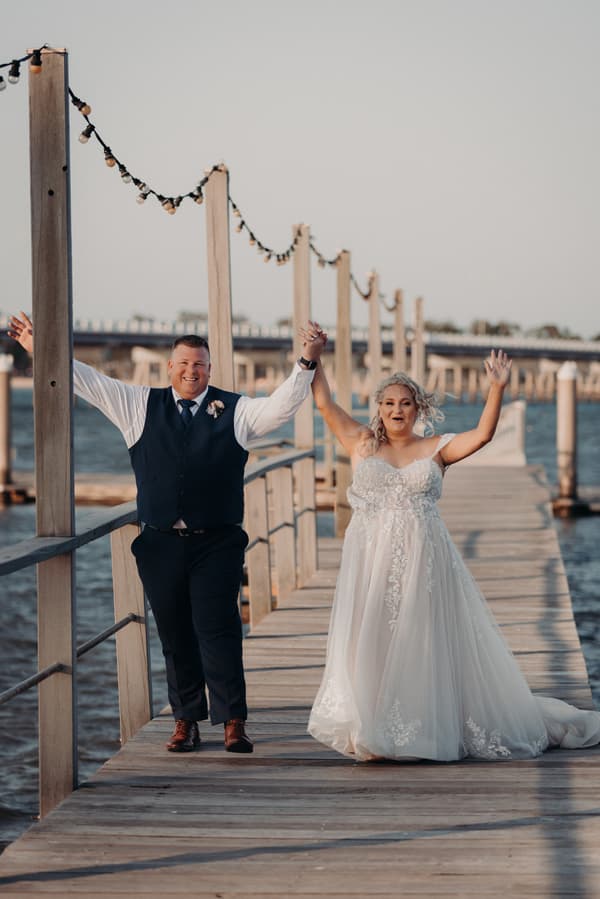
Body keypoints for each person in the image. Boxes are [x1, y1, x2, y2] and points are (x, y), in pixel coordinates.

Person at [8, 312, 325, 755]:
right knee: (175, 635)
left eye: (199, 364)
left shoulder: (236, 410)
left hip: (216, 542)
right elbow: (87, 380)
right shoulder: (137, 404)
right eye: (182, 364)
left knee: (219, 630)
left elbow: (282, 407)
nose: (190, 371)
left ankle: (233, 721)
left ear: (209, 370)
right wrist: (41, 348)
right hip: (159, 544)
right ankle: (186, 722)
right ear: (169, 368)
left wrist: (305, 363)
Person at [304, 324, 600, 761]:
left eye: (404, 403)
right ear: (379, 409)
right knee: (371, 640)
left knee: (416, 640)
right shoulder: (360, 442)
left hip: (423, 561)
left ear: (417, 407)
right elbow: (324, 401)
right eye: (388, 403)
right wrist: (313, 355)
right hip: (368, 562)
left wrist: (496, 388)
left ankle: (418, 728)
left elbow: (481, 435)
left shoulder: (436, 448)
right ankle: (372, 727)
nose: (395, 410)